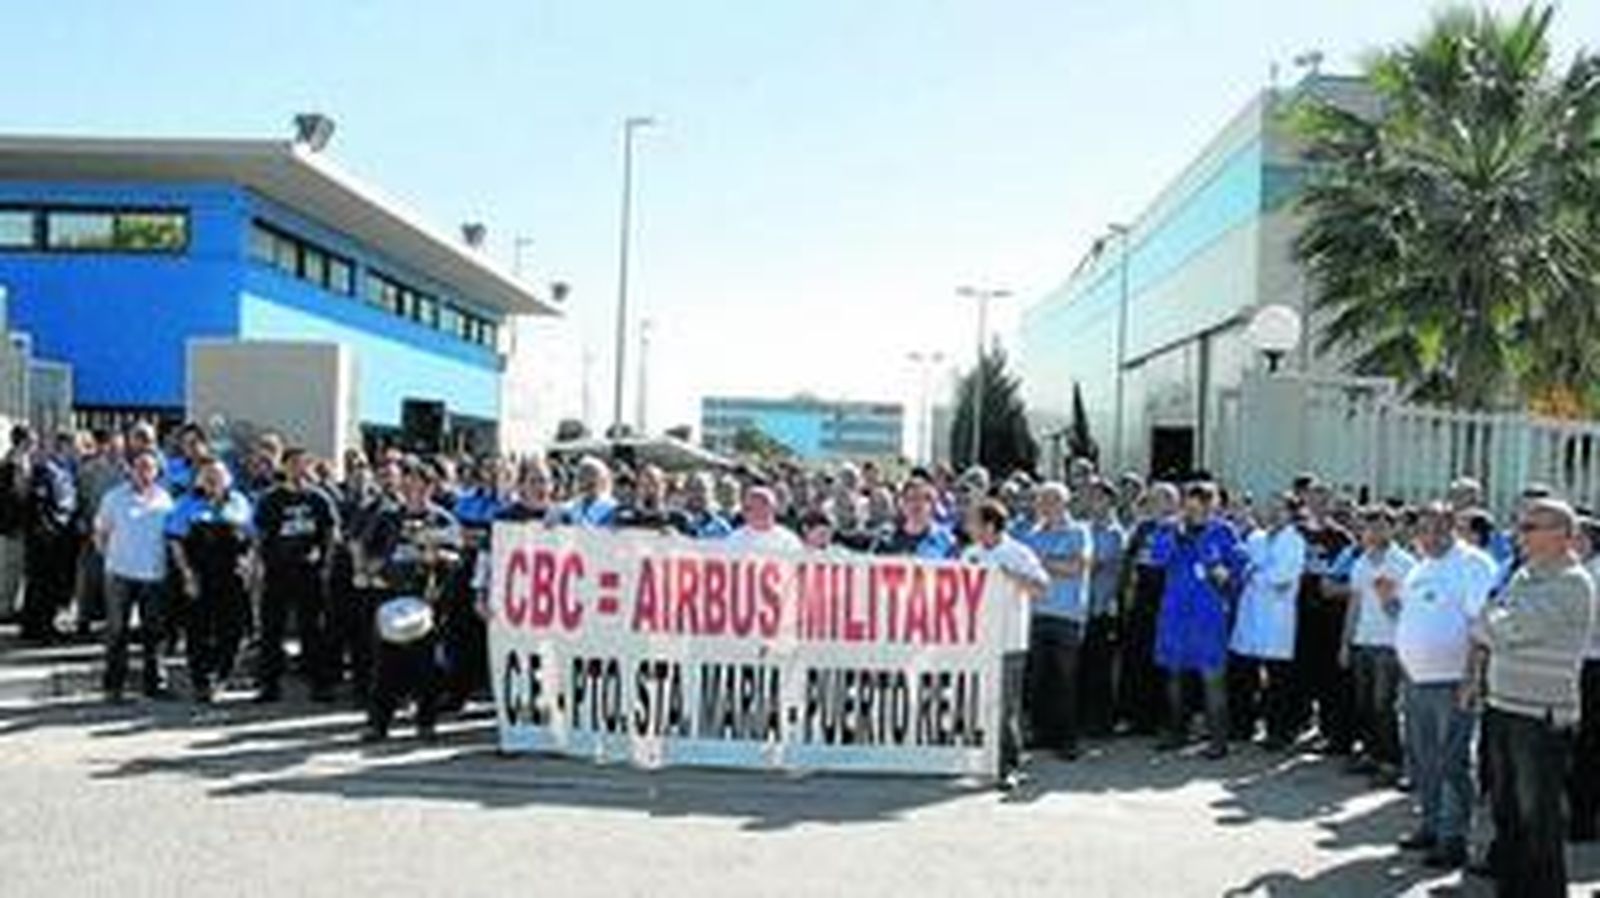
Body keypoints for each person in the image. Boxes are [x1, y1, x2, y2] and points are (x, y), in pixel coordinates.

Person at [1471, 498, 1597, 895]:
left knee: (1538, 818)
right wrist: (1494, 622)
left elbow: (1504, 628)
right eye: (1520, 525)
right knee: (1507, 813)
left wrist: (1493, 622)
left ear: (1561, 534)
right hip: (1504, 705)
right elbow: (1490, 620)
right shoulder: (1525, 575)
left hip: (1539, 715)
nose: (1518, 534)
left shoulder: (1574, 582)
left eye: (1530, 527)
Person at [1392, 503, 1496, 869]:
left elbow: (1480, 626)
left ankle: (1454, 838)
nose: (1430, 537)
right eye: (1423, 530)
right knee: (1424, 759)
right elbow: (1411, 616)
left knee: (1453, 761)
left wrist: (1472, 678)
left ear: (1453, 527)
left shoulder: (1473, 564)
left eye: (1438, 529)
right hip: (1417, 679)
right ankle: (1431, 824)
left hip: (1454, 680)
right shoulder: (1420, 566)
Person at [361, 459, 463, 743]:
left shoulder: (443, 519)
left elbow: (458, 557)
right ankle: (378, 724)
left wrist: (439, 557)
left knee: (426, 666)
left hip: (426, 601)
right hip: (392, 596)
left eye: (421, 484)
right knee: (385, 665)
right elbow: (367, 551)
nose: (414, 490)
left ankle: (426, 723)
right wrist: (373, 571)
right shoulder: (387, 517)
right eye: (409, 484)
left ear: (431, 487)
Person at [1151, 482, 1244, 759]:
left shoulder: (1224, 531)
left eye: (1199, 505)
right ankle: (1177, 733)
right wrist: (1175, 535)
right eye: (1188, 505)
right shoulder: (1171, 528)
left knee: (1212, 678)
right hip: (1176, 614)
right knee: (1174, 677)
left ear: (1211, 505)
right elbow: (1158, 558)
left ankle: (1218, 740)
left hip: (1208, 615)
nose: (1192, 511)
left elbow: (1238, 567)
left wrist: (1225, 572)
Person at [962, 498, 1049, 791]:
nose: (968, 527)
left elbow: (1041, 587)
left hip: (1009, 641)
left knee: (1006, 707)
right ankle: (978, 761)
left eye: (973, 522)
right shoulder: (969, 553)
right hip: (976, 642)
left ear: (989, 525)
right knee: (977, 703)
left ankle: (1009, 766)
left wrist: (1008, 576)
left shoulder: (1018, 552)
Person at [254, 447, 341, 703]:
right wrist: (257, 567)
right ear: (284, 467)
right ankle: (269, 686)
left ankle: (320, 685)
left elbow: (331, 533)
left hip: (309, 573)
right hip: (277, 572)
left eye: (302, 464)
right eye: (292, 464)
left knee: (312, 630)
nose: (297, 469)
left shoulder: (319, 498)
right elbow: (260, 536)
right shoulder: (270, 499)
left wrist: (327, 564)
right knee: (272, 631)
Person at [165, 458, 254, 704]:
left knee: (232, 630)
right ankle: (201, 681)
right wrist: (186, 574)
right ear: (200, 479)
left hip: (233, 577)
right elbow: (175, 542)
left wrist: (250, 566)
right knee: (197, 631)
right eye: (208, 475)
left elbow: (252, 538)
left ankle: (221, 675)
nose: (213, 479)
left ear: (228, 479)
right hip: (200, 575)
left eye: (218, 475)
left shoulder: (240, 502)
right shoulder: (185, 504)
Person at [1340, 505, 1416, 784]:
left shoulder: (1405, 564)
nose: (1373, 532)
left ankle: (1392, 761)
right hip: (1363, 641)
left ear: (1393, 529)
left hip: (1390, 644)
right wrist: (1345, 643)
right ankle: (1372, 754)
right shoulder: (1360, 563)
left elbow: (1410, 609)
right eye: (1369, 526)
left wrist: (1390, 600)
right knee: (1364, 704)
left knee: (1384, 706)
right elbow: (1354, 605)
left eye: (1381, 526)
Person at [1228, 492, 1307, 749]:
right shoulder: (1256, 538)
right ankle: (1242, 727)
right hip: (1251, 613)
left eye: (1280, 508)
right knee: (1243, 675)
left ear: (1291, 513)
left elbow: (1283, 577)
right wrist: (1260, 574)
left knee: (1278, 680)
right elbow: (1244, 569)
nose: (1273, 513)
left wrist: (1257, 574)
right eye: (1270, 507)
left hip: (1277, 618)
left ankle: (1279, 732)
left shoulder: (1295, 541)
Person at [95, 450, 175, 701]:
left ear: (156, 472)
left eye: (150, 467)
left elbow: (170, 538)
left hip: (153, 575)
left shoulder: (165, 500)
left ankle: (155, 684)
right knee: (117, 632)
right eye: (139, 466)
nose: (144, 472)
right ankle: (114, 686)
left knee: (154, 632)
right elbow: (100, 533)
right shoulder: (114, 497)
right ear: (130, 469)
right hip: (120, 574)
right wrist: (111, 559)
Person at [1020, 482, 1091, 760]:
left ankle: (1067, 739)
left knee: (1065, 679)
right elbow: (1027, 570)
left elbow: (1076, 567)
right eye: (1041, 502)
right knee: (1038, 679)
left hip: (1067, 616)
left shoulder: (1079, 531)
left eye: (1051, 501)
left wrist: (1043, 562)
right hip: (1036, 613)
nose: (1045, 507)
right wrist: (1051, 563)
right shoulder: (1032, 535)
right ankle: (1041, 734)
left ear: (1064, 504)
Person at [1118, 481, 1177, 735]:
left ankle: (1163, 718)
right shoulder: (1142, 528)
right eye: (1150, 499)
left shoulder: (1179, 529)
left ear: (1171, 503)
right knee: (1136, 657)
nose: (1153, 504)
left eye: (1159, 499)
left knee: (1163, 661)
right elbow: (1128, 561)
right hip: (1141, 598)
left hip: (1167, 599)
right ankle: (1136, 716)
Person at [21, 430, 79, 643]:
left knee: (50, 583)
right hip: (48, 537)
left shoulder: (66, 470)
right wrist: (48, 530)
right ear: (63, 446)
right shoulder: (46, 469)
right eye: (72, 446)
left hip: (60, 535)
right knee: (43, 584)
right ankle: (40, 628)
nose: (76, 451)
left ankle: (40, 624)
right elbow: (39, 504)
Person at [1081, 478, 1126, 736]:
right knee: (1084, 667)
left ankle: (1102, 722)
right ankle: (1084, 719)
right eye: (1090, 497)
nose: (1092, 502)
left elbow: (1094, 564)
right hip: (1082, 608)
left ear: (1109, 501)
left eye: (1098, 497)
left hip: (1102, 607)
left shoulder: (1115, 533)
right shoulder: (1084, 529)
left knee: (1101, 668)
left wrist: (1070, 561)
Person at [1567, 516, 1600, 842]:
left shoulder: (1593, 575)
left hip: (1592, 666)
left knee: (1586, 747)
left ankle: (1583, 821)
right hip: (1579, 664)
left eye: (1575, 538)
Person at [72, 428, 124, 634]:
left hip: (118, 532)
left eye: (119, 446)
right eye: (112, 445)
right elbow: (80, 497)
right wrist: (84, 522)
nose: (116, 449)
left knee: (112, 579)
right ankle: (83, 619)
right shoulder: (88, 469)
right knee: (88, 577)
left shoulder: (126, 470)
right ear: (103, 445)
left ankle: (111, 620)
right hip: (92, 528)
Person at [871, 476, 957, 559]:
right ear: (902, 504)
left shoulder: (946, 541)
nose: (915, 505)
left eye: (923, 499)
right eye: (911, 499)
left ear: (932, 505)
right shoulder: (886, 539)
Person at [723, 486, 802, 553]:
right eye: (751, 508)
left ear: (773, 509)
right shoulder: (734, 540)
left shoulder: (788, 540)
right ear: (744, 513)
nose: (758, 513)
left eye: (763, 506)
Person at [556, 456, 619, 527]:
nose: (585, 483)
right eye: (581, 478)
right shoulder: (568, 508)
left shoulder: (613, 508)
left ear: (602, 480)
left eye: (591, 482)